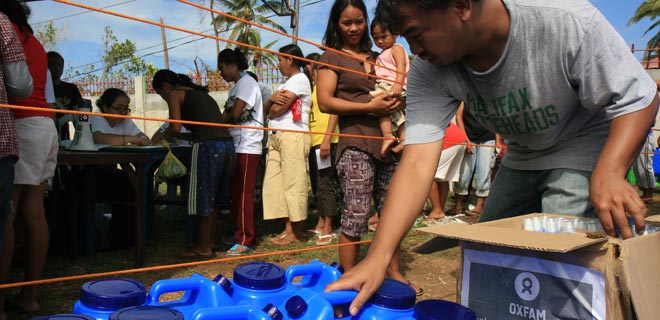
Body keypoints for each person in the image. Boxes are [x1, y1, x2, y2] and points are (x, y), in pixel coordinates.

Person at [326, 0, 659, 314]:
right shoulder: (431, 69)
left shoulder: (563, 19)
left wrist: (611, 171)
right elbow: (416, 163)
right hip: (522, 154)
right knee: (485, 255)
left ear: (461, 5)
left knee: (561, 266)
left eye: (415, 34)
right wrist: (379, 255)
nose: (415, 50)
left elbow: (638, 95)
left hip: (583, 146)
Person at [316, 0, 419, 294]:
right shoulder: (332, 57)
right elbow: (325, 101)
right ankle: (349, 278)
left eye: (359, 21)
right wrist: (369, 105)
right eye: (347, 22)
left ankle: (393, 272)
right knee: (356, 214)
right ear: (336, 23)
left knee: (390, 213)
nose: (353, 28)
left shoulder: (380, 55)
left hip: (388, 145)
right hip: (356, 143)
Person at [0, 0, 56, 315]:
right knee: (34, 214)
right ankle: (30, 296)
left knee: (5, 215)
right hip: (44, 124)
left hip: (20, 125)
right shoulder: (33, 40)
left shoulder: (7, 33)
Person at [152, 69, 235, 259]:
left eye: (160, 94)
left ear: (165, 87)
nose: (164, 98)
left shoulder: (174, 93)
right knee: (213, 197)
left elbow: (174, 126)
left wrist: (159, 140)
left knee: (203, 195)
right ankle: (209, 242)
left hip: (207, 147)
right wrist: (179, 136)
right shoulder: (199, 94)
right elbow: (198, 129)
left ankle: (204, 247)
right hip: (226, 145)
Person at [262, 44, 312, 245]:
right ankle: (287, 228)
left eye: (280, 60)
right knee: (275, 183)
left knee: (294, 182)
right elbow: (270, 108)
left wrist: (272, 104)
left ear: (290, 60)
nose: (278, 64)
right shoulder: (287, 83)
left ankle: (296, 233)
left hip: (293, 134)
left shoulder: (299, 79)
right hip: (276, 135)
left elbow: (275, 111)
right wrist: (270, 102)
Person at [0, 10, 32, 320]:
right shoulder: (2, 24)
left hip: (28, 127)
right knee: (7, 218)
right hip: (8, 135)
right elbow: (21, 85)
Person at [218, 48, 264, 256]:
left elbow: (234, 113)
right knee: (236, 192)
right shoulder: (237, 87)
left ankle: (246, 238)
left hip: (247, 144)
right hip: (237, 144)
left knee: (244, 193)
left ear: (232, 65)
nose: (221, 73)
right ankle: (238, 233)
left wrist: (223, 119)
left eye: (222, 68)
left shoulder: (246, 83)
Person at [91, 88, 148, 249]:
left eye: (126, 108)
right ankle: (119, 238)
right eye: (119, 108)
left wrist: (140, 138)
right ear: (105, 107)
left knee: (136, 184)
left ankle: (126, 237)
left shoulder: (125, 121)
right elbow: (99, 138)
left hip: (110, 170)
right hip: (90, 171)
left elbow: (143, 137)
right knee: (127, 187)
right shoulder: (95, 119)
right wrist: (129, 139)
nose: (124, 112)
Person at [306, 52, 340, 245]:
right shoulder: (314, 89)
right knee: (318, 184)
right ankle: (321, 221)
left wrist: (327, 138)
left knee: (325, 183)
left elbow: (334, 112)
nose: (309, 72)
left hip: (326, 142)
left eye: (311, 67)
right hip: (315, 141)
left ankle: (329, 225)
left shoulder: (327, 87)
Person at [447, 103, 497, 216]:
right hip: (469, 136)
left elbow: (495, 119)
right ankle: (458, 205)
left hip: (488, 137)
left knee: (484, 171)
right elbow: (458, 117)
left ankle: (480, 206)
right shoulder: (465, 96)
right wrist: (466, 140)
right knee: (464, 173)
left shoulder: (488, 97)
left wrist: (498, 141)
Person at [370, 18, 410, 157]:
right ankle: (403, 139)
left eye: (383, 36)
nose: (380, 41)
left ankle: (388, 135)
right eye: (376, 38)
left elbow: (401, 66)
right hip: (389, 85)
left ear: (395, 34)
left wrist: (398, 83)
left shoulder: (396, 48)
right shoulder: (382, 53)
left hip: (392, 85)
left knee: (379, 105)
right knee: (397, 113)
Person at [423, 122, 467, 224]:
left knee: (428, 175)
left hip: (447, 140)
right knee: (443, 177)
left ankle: (437, 210)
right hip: (458, 138)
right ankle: (439, 209)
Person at [46, 51, 82, 140]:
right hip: (45, 133)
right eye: (52, 65)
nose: (57, 68)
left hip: (64, 136)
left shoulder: (71, 88)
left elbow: (77, 115)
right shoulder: (40, 89)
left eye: (59, 65)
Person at [631, 130, 655, 203]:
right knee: (637, 167)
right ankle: (645, 194)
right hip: (635, 137)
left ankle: (648, 195)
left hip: (645, 137)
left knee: (645, 166)